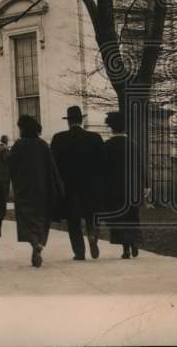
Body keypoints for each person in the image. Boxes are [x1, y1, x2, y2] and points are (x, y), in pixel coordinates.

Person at [51, 105, 106, 261]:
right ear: (81, 120)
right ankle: (92, 235)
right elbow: (103, 163)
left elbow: (54, 165)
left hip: (69, 187)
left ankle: (79, 252)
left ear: (68, 122)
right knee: (91, 215)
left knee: (72, 219)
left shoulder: (58, 138)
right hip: (91, 186)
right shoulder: (94, 138)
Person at [9, 114, 64, 268]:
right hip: (43, 188)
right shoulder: (43, 145)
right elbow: (52, 168)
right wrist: (58, 187)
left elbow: (11, 166)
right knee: (42, 219)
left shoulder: (18, 145)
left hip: (24, 189)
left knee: (27, 220)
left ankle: (34, 244)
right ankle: (40, 242)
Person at [102, 111, 145, 259]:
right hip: (133, 188)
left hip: (115, 189)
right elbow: (141, 167)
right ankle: (134, 242)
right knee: (133, 216)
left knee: (120, 218)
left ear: (111, 127)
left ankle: (125, 248)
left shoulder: (107, 146)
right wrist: (145, 185)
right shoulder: (134, 145)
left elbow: (104, 169)